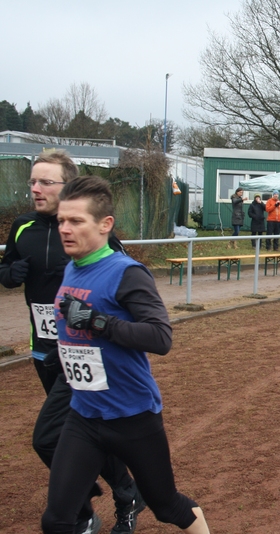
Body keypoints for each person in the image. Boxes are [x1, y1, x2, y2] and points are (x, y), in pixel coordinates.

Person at [43, 176, 210, 534]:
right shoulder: (72, 267)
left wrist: (98, 322)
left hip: (132, 417)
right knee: (56, 520)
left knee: (166, 506)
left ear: (105, 224)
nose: (65, 229)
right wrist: (66, 352)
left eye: (76, 221)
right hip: (84, 414)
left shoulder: (126, 273)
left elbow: (160, 337)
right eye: (61, 220)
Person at [0, 151, 144, 534]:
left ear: (68, 187)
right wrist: (9, 274)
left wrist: (97, 315)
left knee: (52, 437)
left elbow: (125, 281)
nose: (36, 188)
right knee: (81, 432)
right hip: (44, 349)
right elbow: (7, 266)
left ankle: (81, 510)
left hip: (83, 352)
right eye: (33, 181)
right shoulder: (22, 226)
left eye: (46, 182)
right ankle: (125, 494)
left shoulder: (92, 232)